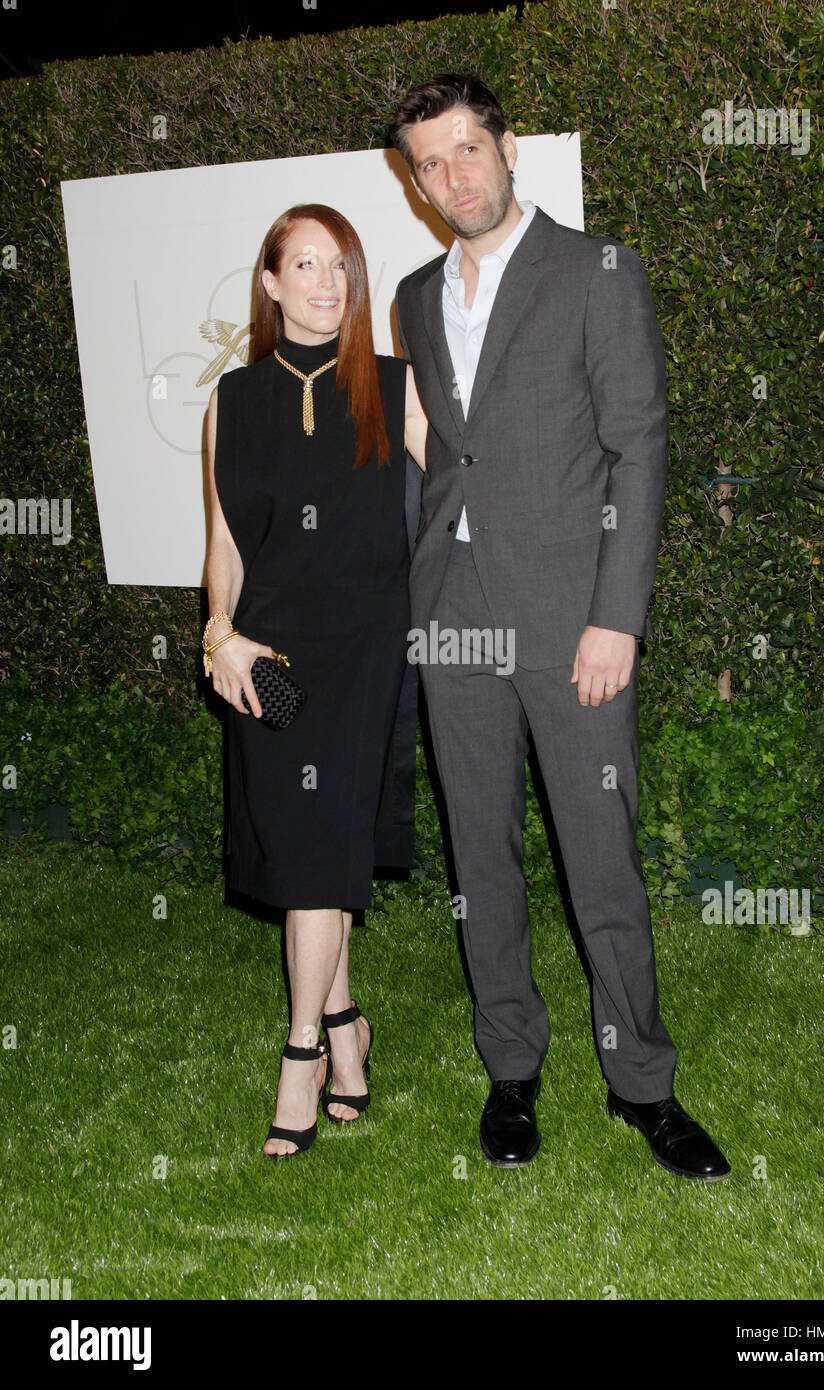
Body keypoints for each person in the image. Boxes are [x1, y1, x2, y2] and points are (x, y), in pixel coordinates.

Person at [388, 75, 730, 1178]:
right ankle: (511, 1069)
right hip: (455, 616)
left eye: (465, 152)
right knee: (478, 852)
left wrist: (614, 619)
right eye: (429, 164)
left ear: (508, 146)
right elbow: (448, 451)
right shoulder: (410, 294)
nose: (451, 180)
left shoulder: (596, 270)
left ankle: (643, 1085)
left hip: (574, 617)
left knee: (600, 861)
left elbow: (639, 448)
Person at [204, 203, 427, 1157]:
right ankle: (348, 1033)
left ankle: (301, 1053)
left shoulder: (397, 386)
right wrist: (218, 635)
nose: (326, 284)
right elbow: (223, 544)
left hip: (366, 655)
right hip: (271, 659)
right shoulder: (233, 401)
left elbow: (471, 494)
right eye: (305, 265)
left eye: (340, 266)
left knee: (321, 848)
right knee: (305, 855)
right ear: (270, 282)